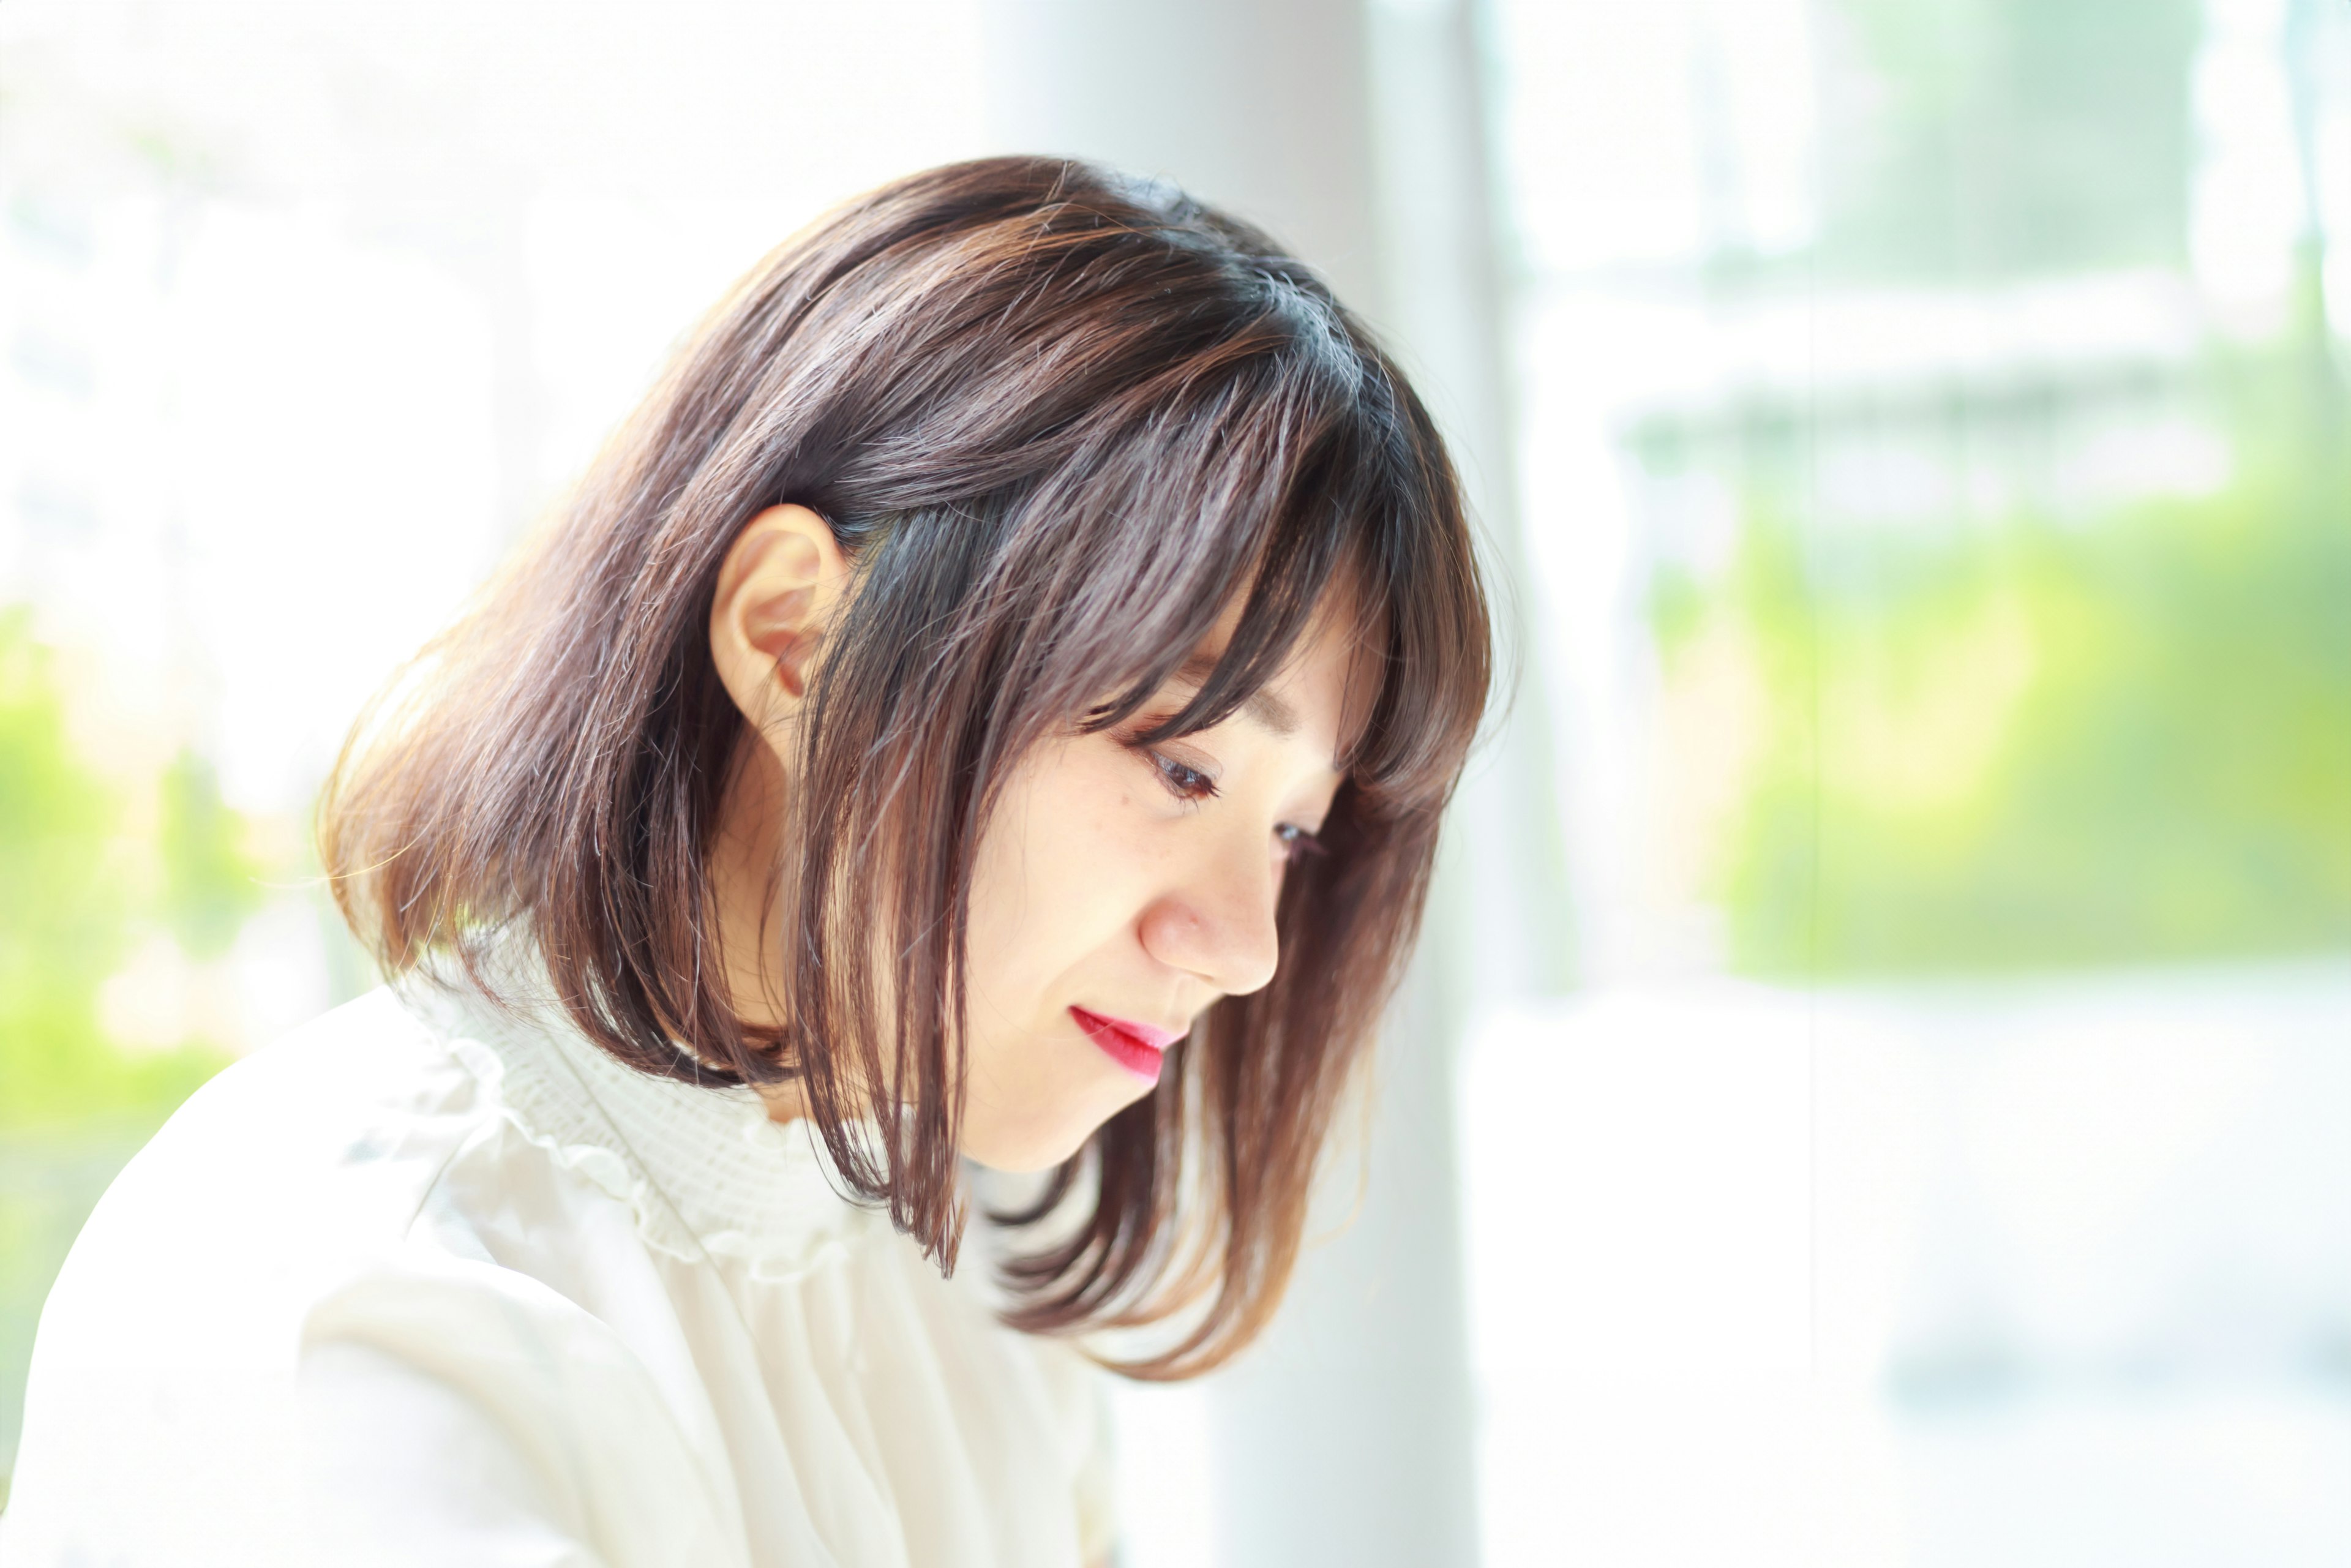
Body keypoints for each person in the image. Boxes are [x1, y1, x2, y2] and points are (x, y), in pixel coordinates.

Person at [1, 156, 1491, 1567]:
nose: (1247, 945)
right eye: (1185, 769)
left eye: (1294, 832)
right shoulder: (362, 1303)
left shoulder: (965, 1299)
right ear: (795, 635)